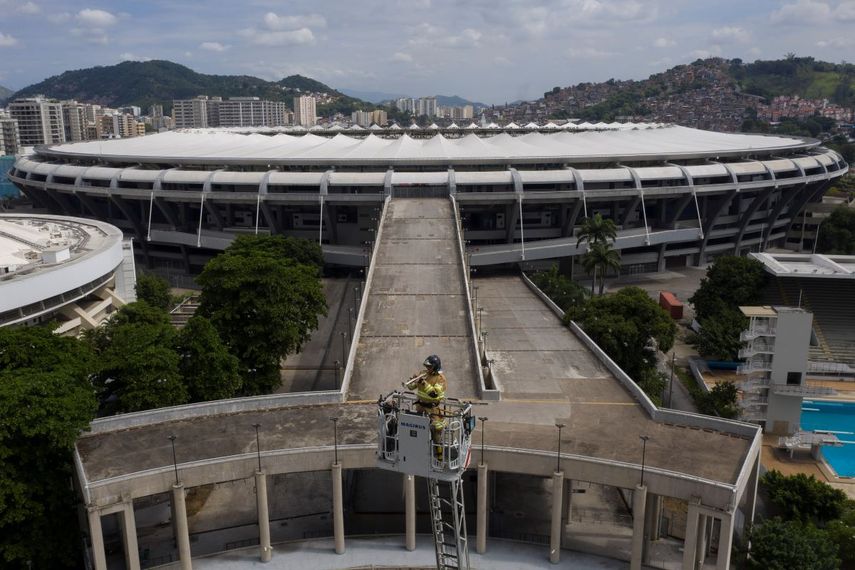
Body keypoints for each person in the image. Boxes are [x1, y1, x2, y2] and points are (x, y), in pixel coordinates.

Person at [404, 354, 448, 459]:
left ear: (435, 366)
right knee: (418, 429)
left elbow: (434, 394)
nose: (427, 368)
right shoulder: (423, 374)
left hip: (432, 409)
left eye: (429, 366)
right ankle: (419, 452)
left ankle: (439, 456)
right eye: (426, 366)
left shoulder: (440, 379)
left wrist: (423, 383)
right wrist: (412, 380)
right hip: (420, 407)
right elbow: (411, 387)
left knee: (436, 431)